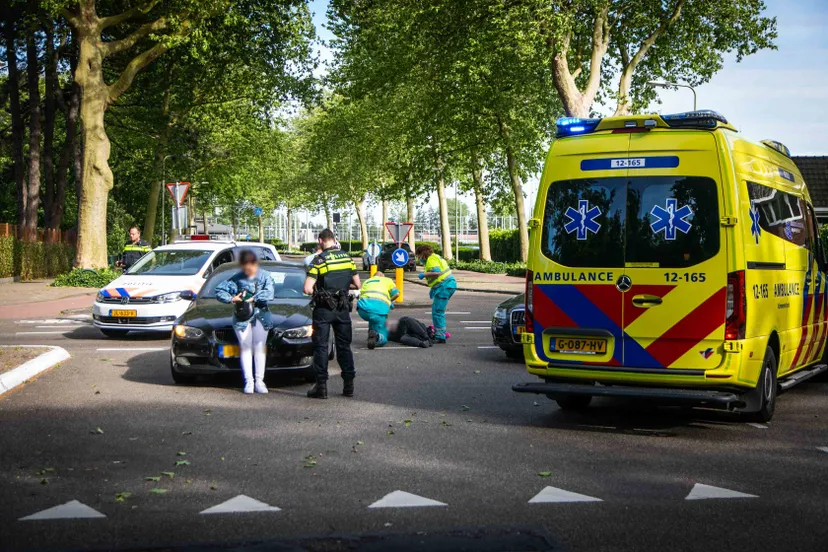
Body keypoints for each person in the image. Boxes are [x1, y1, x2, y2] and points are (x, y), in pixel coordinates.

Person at [303, 229, 361, 399]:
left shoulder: (319, 260)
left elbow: (307, 289)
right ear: (334, 240)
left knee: (321, 347)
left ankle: (321, 387)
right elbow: (357, 284)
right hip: (342, 308)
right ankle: (348, 386)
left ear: (320, 240)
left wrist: (322, 288)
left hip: (323, 309)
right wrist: (341, 288)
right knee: (344, 346)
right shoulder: (347, 258)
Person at [215, 250, 275, 394]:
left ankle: (260, 381)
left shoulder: (265, 276)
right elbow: (219, 290)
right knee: (246, 347)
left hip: (261, 314)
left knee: (259, 347)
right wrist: (232, 298)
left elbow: (270, 292)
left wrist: (254, 298)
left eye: (250, 267)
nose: (248, 271)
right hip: (242, 316)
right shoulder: (238, 278)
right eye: (245, 268)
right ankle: (249, 381)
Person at [415, 244, 457, 343]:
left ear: (423, 253)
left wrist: (423, 274)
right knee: (437, 311)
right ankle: (440, 333)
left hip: (444, 287)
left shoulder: (431, 259)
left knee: (437, 312)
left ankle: (440, 336)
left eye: (418, 256)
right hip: (447, 286)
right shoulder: (436, 257)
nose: (418, 258)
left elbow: (437, 272)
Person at [356, 271, 399, 349]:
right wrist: (389, 302)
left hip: (362, 310)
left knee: (372, 319)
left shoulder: (367, 281)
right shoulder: (387, 280)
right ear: (382, 275)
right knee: (383, 337)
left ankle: (371, 333)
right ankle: (377, 336)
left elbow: (360, 295)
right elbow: (397, 294)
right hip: (379, 310)